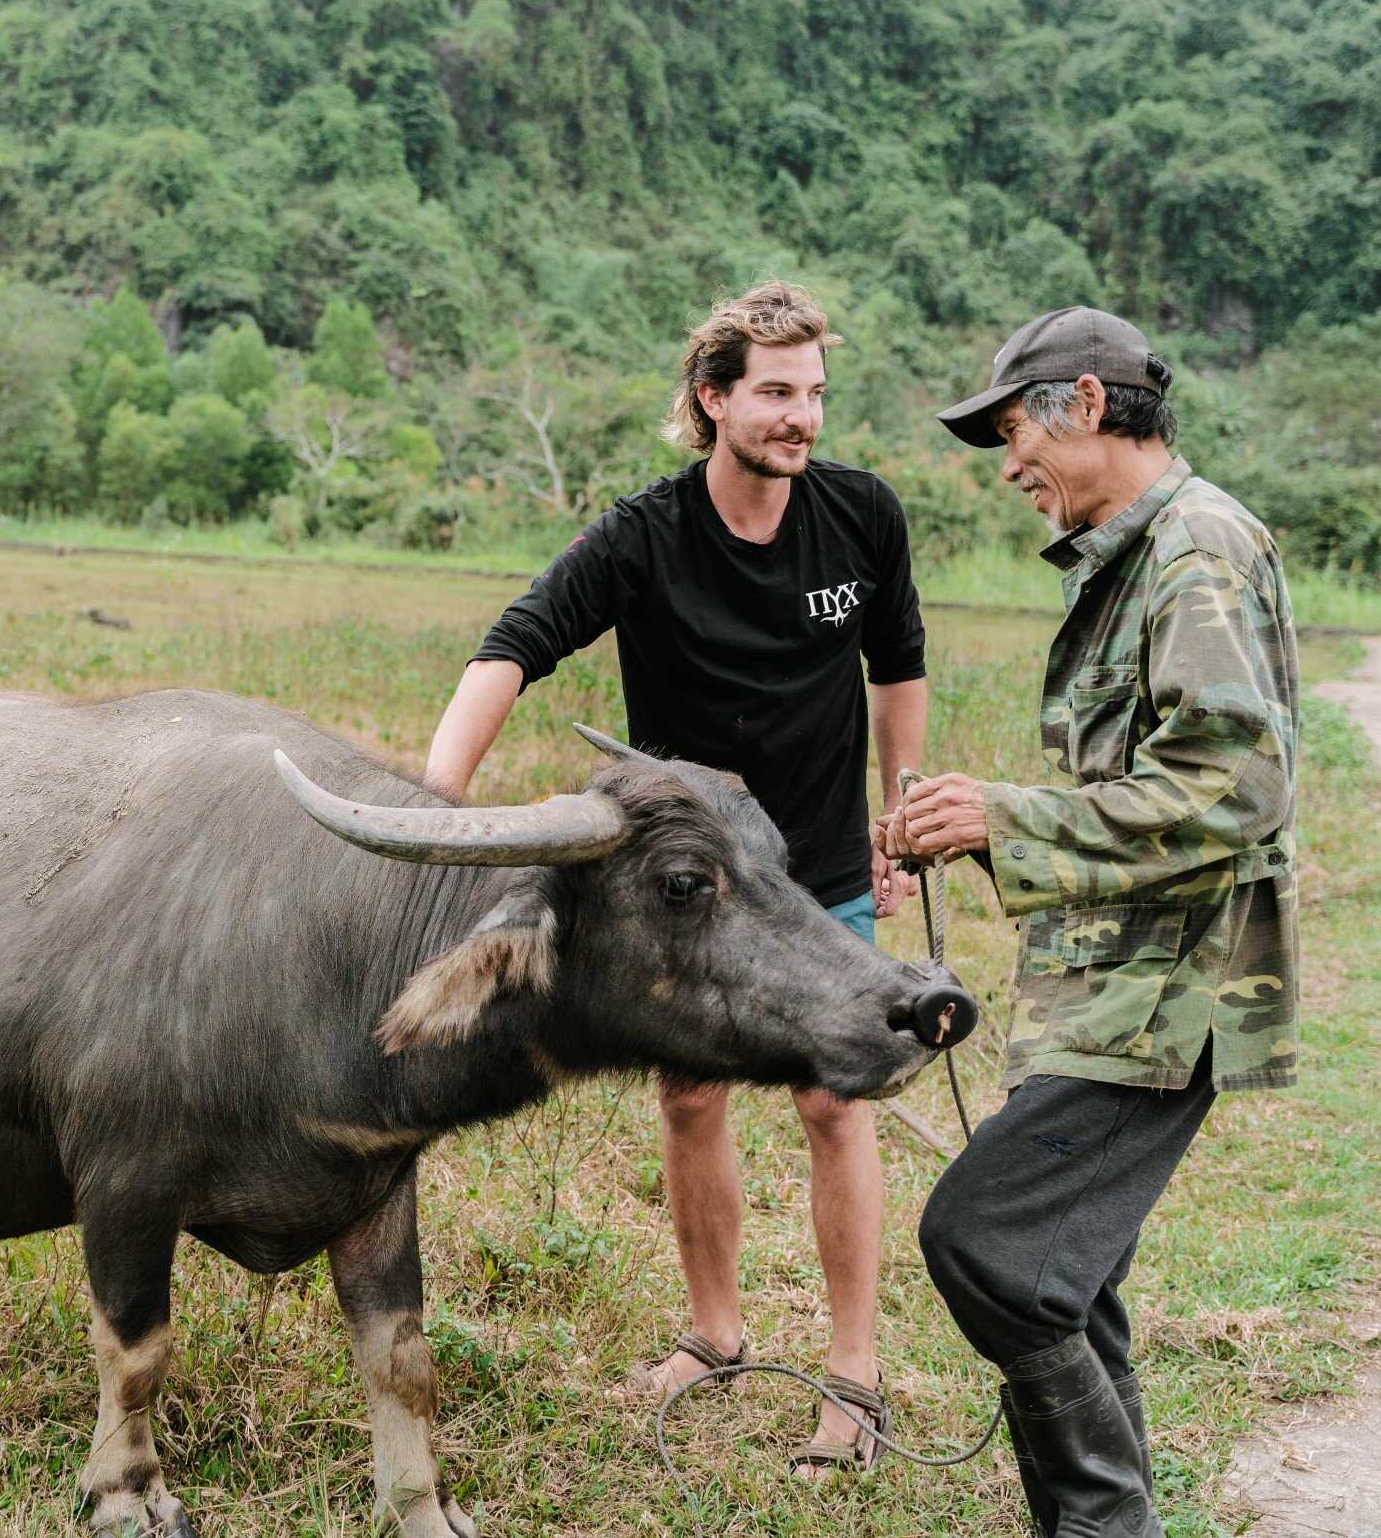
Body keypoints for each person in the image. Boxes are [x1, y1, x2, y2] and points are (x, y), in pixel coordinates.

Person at [421, 277, 929, 1476]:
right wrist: (434, 804)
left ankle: (853, 1375)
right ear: (712, 399)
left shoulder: (860, 514)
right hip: (688, 885)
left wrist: (899, 816)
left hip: (816, 864)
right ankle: (715, 1334)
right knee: (690, 1097)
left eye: (813, 393)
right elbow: (514, 646)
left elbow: (898, 667)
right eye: (775, 393)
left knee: (836, 1099)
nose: (800, 417)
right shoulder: (642, 535)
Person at [881, 306, 1300, 1536]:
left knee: (984, 1242)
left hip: (1167, 996)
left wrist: (1004, 815)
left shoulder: (1195, 549)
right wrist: (978, 822)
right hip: (1107, 989)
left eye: (1015, 431)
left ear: (1090, 403)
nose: (1009, 463)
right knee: (1065, 1286)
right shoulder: (1135, 555)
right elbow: (1145, 784)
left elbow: (1236, 785)